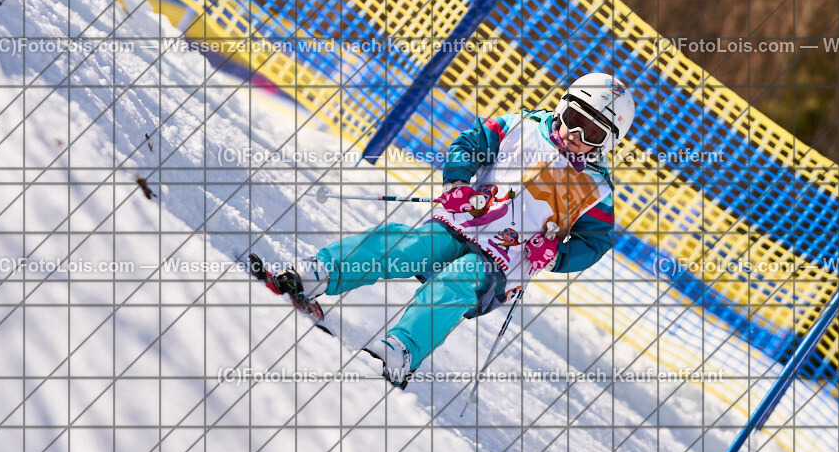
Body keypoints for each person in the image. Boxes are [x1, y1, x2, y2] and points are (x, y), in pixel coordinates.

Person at [270, 72, 635, 388]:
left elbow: (595, 241)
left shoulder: (597, 191)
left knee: (458, 281)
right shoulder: (519, 128)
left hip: (506, 262)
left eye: (592, 132)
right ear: (561, 106)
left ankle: (402, 350)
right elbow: (471, 143)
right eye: (573, 117)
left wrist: (555, 255)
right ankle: (319, 273)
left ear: (607, 144)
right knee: (407, 246)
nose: (575, 134)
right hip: (463, 220)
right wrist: (458, 181)